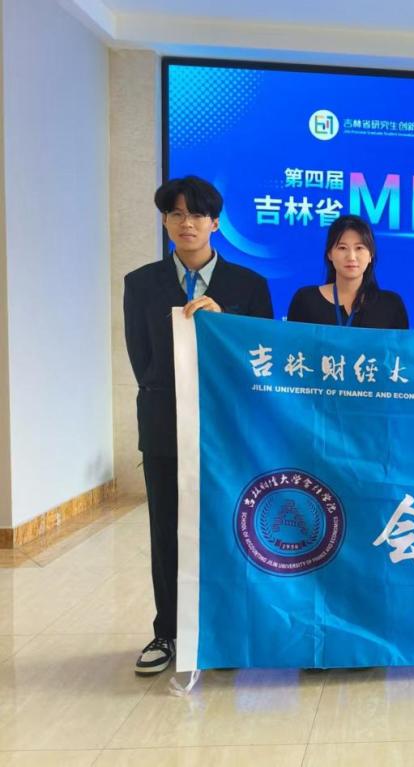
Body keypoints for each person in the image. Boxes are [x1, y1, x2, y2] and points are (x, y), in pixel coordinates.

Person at [124, 175, 274, 674]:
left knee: (231, 528)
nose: (186, 223)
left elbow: (261, 359)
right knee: (166, 531)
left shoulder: (249, 286)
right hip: (165, 428)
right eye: (175, 214)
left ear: (215, 223)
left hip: (229, 432)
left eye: (196, 214)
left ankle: (224, 632)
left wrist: (221, 321)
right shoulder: (141, 284)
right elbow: (142, 361)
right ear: (166, 222)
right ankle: (167, 632)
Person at [287, 215, 408, 328]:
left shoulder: (391, 305)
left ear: (371, 255)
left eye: (359, 248)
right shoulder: (306, 300)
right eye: (342, 248)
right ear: (330, 254)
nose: (351, 257)